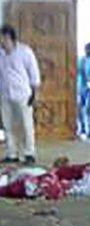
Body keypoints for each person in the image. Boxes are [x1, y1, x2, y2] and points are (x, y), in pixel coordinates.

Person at [0, 25, 40, 165]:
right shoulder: (0, 53)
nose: (2, 42)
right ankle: (12, 153)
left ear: (11, 39)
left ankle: (29, 153)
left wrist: (35, 94)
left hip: (23, 95)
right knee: (8, 125)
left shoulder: (25, 52)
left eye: (4, 39)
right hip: (5, 94)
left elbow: (34, 72)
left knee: (26, 125)